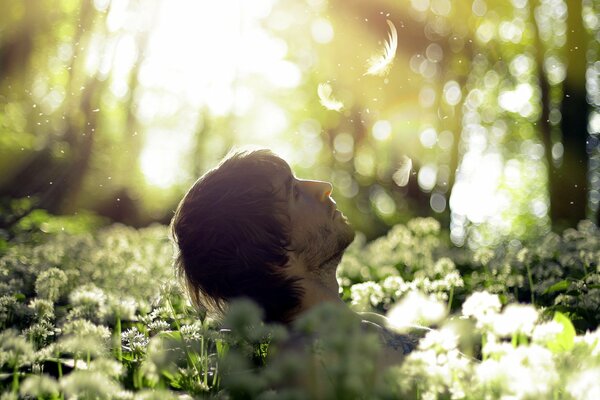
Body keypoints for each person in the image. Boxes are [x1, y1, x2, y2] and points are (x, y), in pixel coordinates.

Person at [171, 148, 420, 359]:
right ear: (278, 257)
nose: (324, 187)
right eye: (295, 193)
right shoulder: (315, 366)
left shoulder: (358, 328)